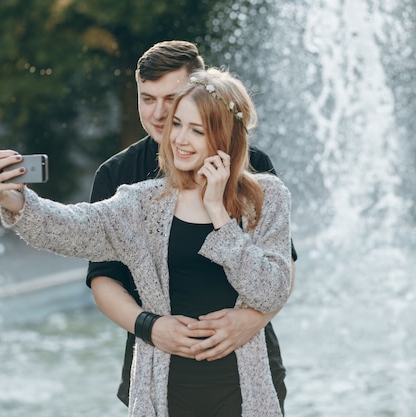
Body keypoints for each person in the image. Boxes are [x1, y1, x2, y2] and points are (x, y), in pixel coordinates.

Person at [0, 68, 292, 416]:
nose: (179, 139)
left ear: (224, 138)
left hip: (242, 393)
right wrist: (18, 202)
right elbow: (72, 228)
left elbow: (271, 291)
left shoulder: (268, 197)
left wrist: (218, 214)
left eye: (196, 130)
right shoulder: (143, 203)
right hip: (165, 392)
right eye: (177, 124)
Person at [87, 40, 297, 413]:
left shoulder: (251, 165)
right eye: (146, 98)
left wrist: (250, 321)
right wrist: (151, 327)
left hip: (247, 370)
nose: (158, 112)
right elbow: (104, 280)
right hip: (157, 369)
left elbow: (282, 269)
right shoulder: (116, 174)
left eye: (171, 99)